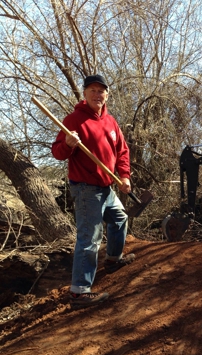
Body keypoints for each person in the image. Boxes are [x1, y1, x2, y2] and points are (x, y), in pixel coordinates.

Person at [52, 74, 135, 308]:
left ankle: (113, 261)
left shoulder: (110, 122)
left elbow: (122, 151)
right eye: (93, 91)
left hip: (107, 187)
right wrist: (68, 144)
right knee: (89, 238)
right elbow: (57, 152)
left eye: (101, 91)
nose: (97, 95)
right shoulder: (74, 120)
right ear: (85, 94)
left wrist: (125, 176)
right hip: (86, 189)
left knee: (119, 219)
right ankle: (79, 293)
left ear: (106, 95)